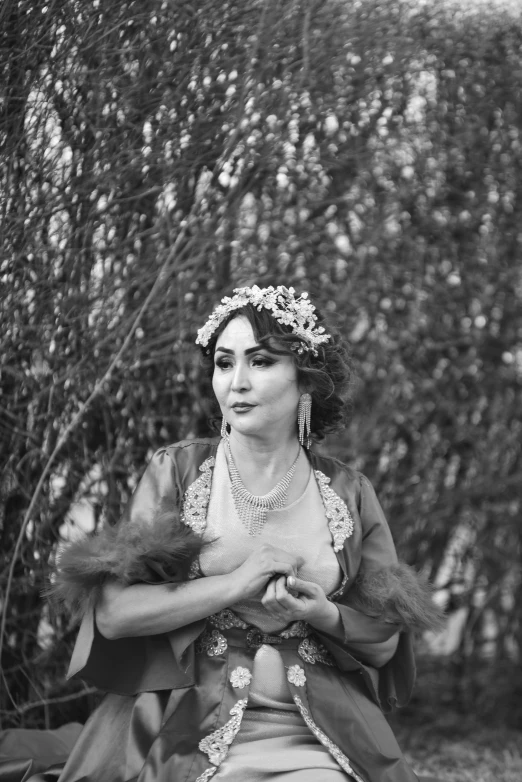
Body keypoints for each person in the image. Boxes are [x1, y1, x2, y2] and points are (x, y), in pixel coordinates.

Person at [52, 285, 443, 782]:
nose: (236, 382)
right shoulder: (178, 471)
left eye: (259, 362)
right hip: (185, 725)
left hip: (320, 731)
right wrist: (237, 582)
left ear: (305, 380)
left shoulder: (351, 492)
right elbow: (114, 614)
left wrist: (322, 613)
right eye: (223, 362)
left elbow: (384, 641)